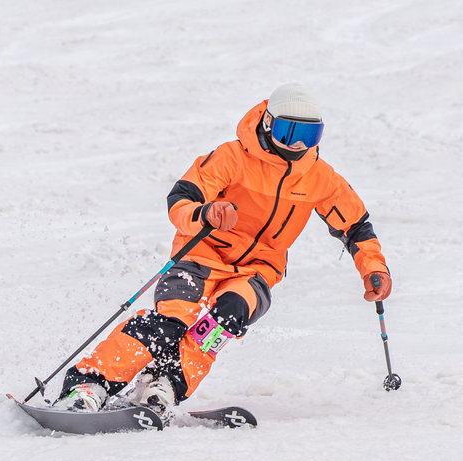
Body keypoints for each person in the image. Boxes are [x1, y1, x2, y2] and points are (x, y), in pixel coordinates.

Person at [55, 83, 393, 417]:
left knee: (224, 318)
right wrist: (205, 213)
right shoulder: (232, 158)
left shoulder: (320, 178)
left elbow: (356, 226)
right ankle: (89, 384)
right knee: (170, 321)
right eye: (290, 133)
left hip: (257, 271)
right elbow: (182, 197)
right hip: (199, 258)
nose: (299, 145)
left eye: (311, 135)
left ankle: (164, 385)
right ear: (268, 124)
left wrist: (373, 268)